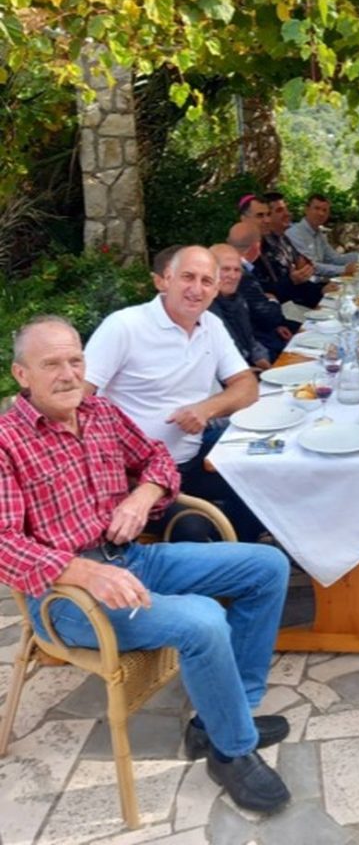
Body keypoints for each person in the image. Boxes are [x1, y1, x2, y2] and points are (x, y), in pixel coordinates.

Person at [0, 316, 292, 812]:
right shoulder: (7, 440)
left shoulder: (100, 412)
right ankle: (232, 750)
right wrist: (86, 572)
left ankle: (225, 718)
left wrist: (142, 496)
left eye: (75, 360)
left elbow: (157, 458)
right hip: (67, 596)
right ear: (21, 374)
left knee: (267, 567)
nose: (68, 374)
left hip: (133, 557)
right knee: (204, 619)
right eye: (51, 364)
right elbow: (5, 543)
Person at [83, 246, 265, 542]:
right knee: (193, 526)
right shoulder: (125, 326)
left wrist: (206, 409)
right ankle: (210, 555)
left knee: (261, 483)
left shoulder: (212, 326)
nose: (197, 289)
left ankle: (238, 555)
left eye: (207, 281)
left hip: (189, 461)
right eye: (188, 277)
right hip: (134, 475)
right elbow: (77, 398)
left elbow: (247, 386)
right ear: (165, 280)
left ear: (215, 289)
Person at [227, 223, 299, 357]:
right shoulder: (242, 274)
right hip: (255, 344)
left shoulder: (240, 269)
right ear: (257, 246)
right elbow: (267, 316)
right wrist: (273, 300)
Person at [208, 244, 272, 372]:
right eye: (225, 269)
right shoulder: (203, 308)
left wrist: (263, 361)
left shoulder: (238, 300)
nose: (233, 276)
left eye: (237, 270)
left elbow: (251, 342)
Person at [258, 192, 323, 308]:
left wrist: (322, 290)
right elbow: (263, 292)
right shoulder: (259, 248)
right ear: (267, 217)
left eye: (286, 209)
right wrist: (292, 280)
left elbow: (302, 272)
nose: (287, 214)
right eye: (279, 210)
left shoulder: (284, 239)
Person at [286, 194, 359, 278]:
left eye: (325, 210)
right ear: (306, 210)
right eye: (317, 208)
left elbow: (334, 259)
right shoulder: (295, 233)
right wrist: (344, 269)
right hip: (306, 284)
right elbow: (311, 267)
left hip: (322, 281)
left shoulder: (319, 234)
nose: (321, 213)